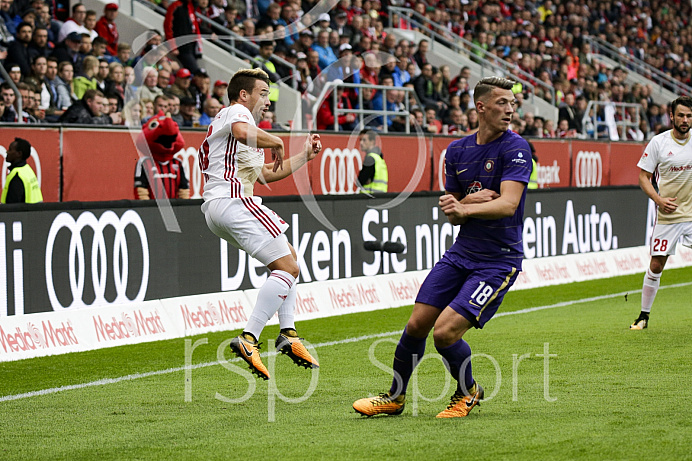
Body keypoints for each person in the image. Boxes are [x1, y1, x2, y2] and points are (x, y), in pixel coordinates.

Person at [352, 76, 532, 418]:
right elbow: (455, 215)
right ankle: (394, 397)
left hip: (498, 261)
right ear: (481, 107)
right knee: (417, 325)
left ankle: (468, 391)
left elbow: (508, 204)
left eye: (512, 103)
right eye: (502, 103)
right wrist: (461, 205)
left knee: (445, 333)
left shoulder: (516, 148)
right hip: (461, 254)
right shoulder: (457, 151)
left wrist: (466, 207)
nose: (510, 109)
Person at [198, 68, 322, 380]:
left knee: (289, 259)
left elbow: (266, 174)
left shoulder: (242, 132)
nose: (267, 100)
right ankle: (250, 337)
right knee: (289, 267)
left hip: (218, 208)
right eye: (263, 93)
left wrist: (304, 155)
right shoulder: (237, 113)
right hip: (234, 200)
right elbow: (242, 130)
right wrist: (277, 140)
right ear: (244, 95)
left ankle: (288, 332)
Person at [630, 96, 692, 330]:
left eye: (689, 116)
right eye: (681, 115)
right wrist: (658, 200)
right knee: (656, 265)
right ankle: (643, 316)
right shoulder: (659, 143)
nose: (685, 120)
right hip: (669, 215)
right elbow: (643, 177)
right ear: (672, 117)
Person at [134, 112, 190, 200]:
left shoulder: (177, 163)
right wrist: (146, 209)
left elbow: (184, 190)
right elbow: (141, 190)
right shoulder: (144, 163)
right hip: (151, 209)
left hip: (174, 209)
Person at [1, 137, 43, 204]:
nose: (7, 152)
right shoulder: (28, 170)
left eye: (10, 149)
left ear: (19, 154)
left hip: (25, 214)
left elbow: (12, 207)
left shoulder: (17, 176)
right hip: (35, 213)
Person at [357, 129, 388, 194]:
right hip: (381, 196)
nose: (361, 143)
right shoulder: (379, 158)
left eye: (364, 140)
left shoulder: (370, 159)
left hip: (369, 196)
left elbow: (360, 181)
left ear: (372, 141)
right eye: (360, 140)